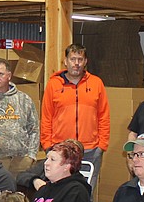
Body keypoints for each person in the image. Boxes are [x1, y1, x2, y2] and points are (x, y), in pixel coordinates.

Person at [41, 44, 110, 191]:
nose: (76, 63)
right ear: (65, 61)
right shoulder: (53, 85)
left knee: (85, 193)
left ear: (85, 62)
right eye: (73, 59)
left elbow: (103, 116)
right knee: (59, 192)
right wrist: (47, 145)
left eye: (80, 59)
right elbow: (46, 117)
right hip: (61, 150)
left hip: (90, 150)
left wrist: (101, 145)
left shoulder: (96, 83)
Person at [27, 139, 93, 202]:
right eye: (47, 158)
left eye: (52, 160)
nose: (46, 163)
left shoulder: (76, 192)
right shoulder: (44, 189)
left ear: (67, 166)